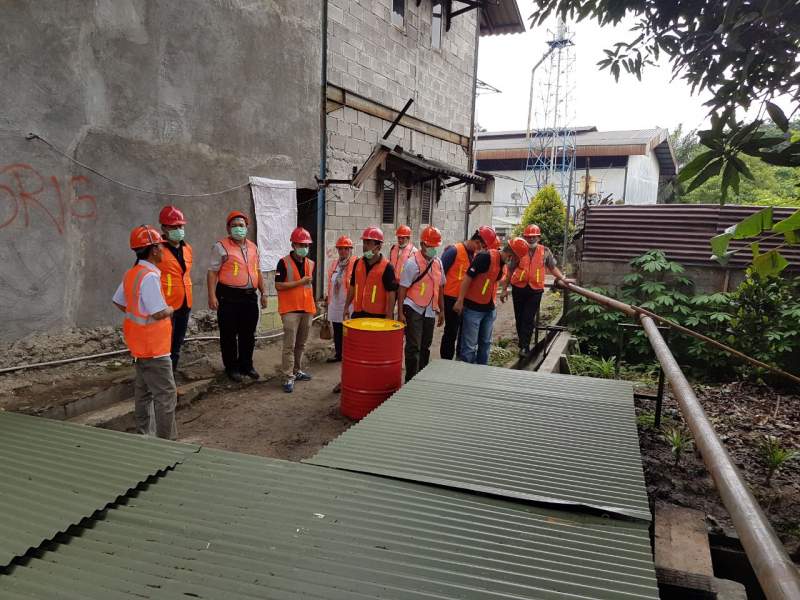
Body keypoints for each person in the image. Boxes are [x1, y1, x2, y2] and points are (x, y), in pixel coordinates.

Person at [112, 225, 177, 440]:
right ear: (154, 249)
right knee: (165, 396)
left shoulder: (133, 273)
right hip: (155, 347)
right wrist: (171, 309)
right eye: (160, 246)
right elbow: (158, 312)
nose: (163, 250)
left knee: (143, 394)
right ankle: (166, 443)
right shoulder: (149, 276)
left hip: (140, 346)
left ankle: (143, 436)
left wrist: (140, 315)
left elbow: (120, 302)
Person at [333, 226, 398, 393]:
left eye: (369, 243)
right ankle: (347, 381)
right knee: (352, 352)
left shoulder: (387, 267)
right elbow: (353, 287)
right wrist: (347, 306)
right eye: (364, 242)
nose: (365, 246)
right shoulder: (358, 264)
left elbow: (392, 294)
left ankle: (371, 384)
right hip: (359, 314)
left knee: (373, 356)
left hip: (377, 318)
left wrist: (389, 319)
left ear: (378, 246)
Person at [207, 210, 267, 382]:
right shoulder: (221, 247)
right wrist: (212, 296)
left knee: (248, 333)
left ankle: (247, 365)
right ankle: (231, 367)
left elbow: (258, 271)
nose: (238, 229)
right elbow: (212, 273)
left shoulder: (253, 247)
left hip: (249, 297)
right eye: (234, 226)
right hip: (228, 296)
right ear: (228, 228)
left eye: (241, 225)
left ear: (246, 227)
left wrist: (263, 293)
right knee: (229, 334)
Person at [500, 224, 571, 356]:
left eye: (534, 237)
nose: (531, 239)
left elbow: (552, 267)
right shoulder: (519, 249)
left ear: (538, 237)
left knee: (528, 318)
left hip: (535, 290)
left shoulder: (545, 251)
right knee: (520, 317)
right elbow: (510, 270)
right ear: (524, 237)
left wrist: (562, 278)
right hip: (519, 288)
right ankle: (522, 343)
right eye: (528, 237)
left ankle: (524, 347)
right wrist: (504, 289)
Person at [397, 225, 445, 382]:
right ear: (423, 244)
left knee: (425, 346)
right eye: (430, 246)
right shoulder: (412, 264)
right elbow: (402, 288)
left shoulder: (438, 263)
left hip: (430, 309)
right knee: (413, 346)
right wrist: (400, 313)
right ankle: (410, 379)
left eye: (435, 246)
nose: (433, 249)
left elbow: (441, 287)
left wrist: (442, 311)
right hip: (413, 308)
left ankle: (422, 377)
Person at [453, 226, 506, 365]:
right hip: (473, 308)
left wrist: (504, 290)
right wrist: (460, 300)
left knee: (486, 342)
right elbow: (467, 278)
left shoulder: (501, 263)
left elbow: (496, 281)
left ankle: (481, 372)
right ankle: (466, 373)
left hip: (489, 307)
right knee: (469, 345)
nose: (481, 247)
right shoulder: (483, 257)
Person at [275, 227, 317, 393]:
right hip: (290, 310)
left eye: (307, 244)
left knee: (301, 343)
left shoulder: (311, 263)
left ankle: (296, 370)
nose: (304, 247)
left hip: (307, 309)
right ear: (293, 244)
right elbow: (278, 285)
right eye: (301, 244)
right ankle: (287, 376)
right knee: (289, 345)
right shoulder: (283, 262)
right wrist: (300, 282)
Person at [157, 205, 193, 372]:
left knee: (176, 347)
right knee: (163, 348)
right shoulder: (156, 251)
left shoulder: (187, 249)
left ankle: (171, 383)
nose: (179, 229)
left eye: (181, 226)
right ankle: (161, 385)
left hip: (184, 304)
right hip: (166, 307)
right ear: (164, 227)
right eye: (174, 227)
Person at [439, 231, 483, 359]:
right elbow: (440, 274)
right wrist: (439, 301)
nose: (479, 250)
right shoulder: (454, 251)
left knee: (463, 332)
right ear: (476, 242)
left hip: (464, 299)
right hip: (450, 298)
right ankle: (446, 360)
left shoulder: (473, 255)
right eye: (479, 247)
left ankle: (459, 357)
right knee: (451, 331)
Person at [325, 235, 356, 363]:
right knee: (337, 331)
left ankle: (350, 355)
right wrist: (328, 298)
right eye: (340, 249)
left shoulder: (355, 263)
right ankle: (339, 354)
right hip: (335, 303)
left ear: (350, 250)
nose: (343, 251)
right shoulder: (334, 264)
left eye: (346, 249)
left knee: (349, 331)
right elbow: (330, 282)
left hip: (349, 304)